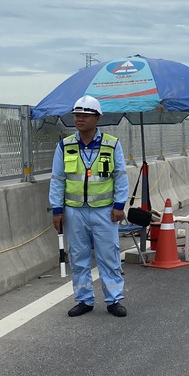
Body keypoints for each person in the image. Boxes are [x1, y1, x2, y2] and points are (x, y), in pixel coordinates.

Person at [49, 96, 130, 317]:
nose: (79, 119)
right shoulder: (65, 145)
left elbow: (120, 176)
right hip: (74, 211)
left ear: (97, 118)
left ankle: (114, 299)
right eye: (77, 115)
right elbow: (57, 179)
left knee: (109, 256)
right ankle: (84, 299)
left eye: (85, 115)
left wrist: (119, 205)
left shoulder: (111, 144)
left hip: (105, 211)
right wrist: (57, 209)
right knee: (78, 257)